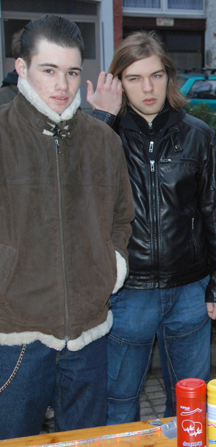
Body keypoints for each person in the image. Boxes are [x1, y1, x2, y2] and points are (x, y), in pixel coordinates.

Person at [87, 31, 216, 424]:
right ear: (119, 83)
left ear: (169, 77)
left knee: (191, 401)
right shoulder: (103, 135)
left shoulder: (198, 135)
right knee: (118, 401)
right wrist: (101, 120)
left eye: (155, 75)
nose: (147, 88)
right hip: (127, 293)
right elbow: (77, 194)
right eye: (134, 78)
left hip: (189, 290)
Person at [0, 15, 134, 438]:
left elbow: (122, 216)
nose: (62, 85)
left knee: (87, 439)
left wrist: (113, 266)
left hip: (89, 332)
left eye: (72, 72)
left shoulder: (103, 140)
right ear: (22, 68)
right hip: (16, 334)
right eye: (49, 70)